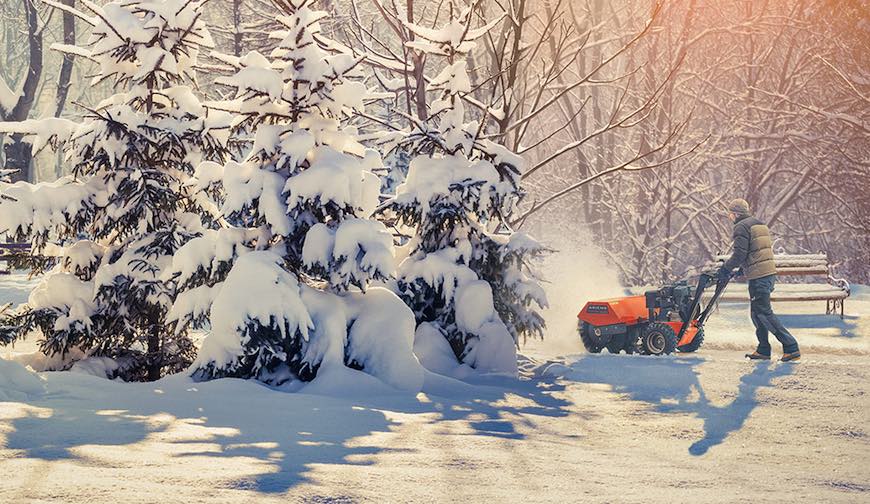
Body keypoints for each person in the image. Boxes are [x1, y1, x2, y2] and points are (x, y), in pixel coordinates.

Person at [719, 198, 801, 362]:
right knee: (756, 313)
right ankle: (763, 349)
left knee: (763, 312)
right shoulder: (758, 223)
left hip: (760, 277)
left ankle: (791, 347)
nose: (730, 217)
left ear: (735, 213)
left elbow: (740, 253)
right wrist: (743, 269)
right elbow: (757, 251)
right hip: (765, 274)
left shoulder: (741, 226)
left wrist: (726, 268)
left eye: (730, 214)